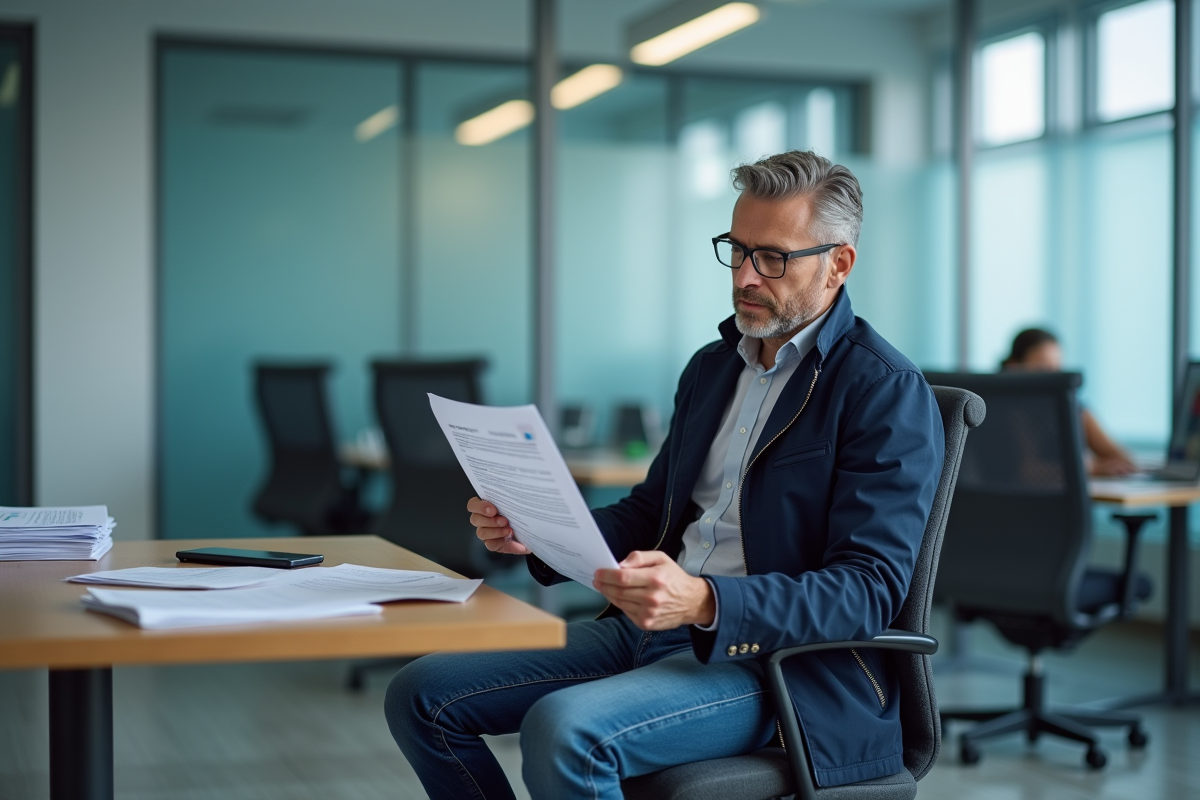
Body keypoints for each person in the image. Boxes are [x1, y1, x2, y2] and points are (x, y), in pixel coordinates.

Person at [384, 150, 945, 800]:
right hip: (650, 628)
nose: (745, 276)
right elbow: (651, 514)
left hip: (777, 667)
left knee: (566, 729)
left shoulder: (882, 390)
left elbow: (866, 591)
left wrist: (707, 601)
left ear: (838, 263)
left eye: (772, 257)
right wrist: (537, 531)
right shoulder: (714, 368)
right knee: (421, 695)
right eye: (736, 250)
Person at [1001, 328, 1137, 476]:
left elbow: (1122, 457)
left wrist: (1097, 464)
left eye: (1056, 369)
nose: (1053, 377)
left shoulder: (1073, 408)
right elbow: (1028, 472)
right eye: (1043, 368)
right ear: (1014, 367)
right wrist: (1091, 467)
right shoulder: (1005, 410)